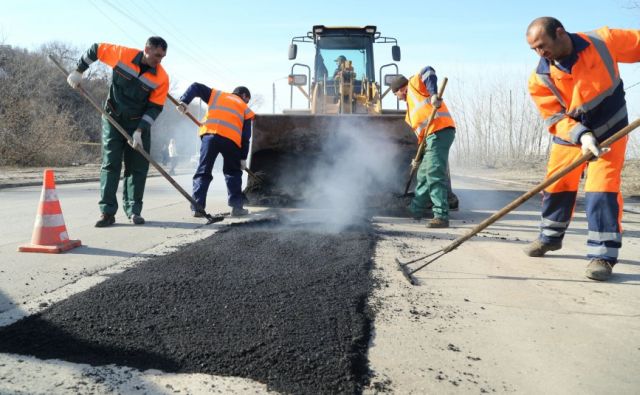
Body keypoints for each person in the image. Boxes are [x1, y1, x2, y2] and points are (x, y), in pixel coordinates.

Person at [524, 17, 640, 281]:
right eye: (534, 49)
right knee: (556, 185)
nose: (540, 53)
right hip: (572, 136)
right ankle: (550, 237)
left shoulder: (603, 42)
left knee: (602, 190)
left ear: (560, 33)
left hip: (612, 131)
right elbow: (553, 118)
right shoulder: (539, 77)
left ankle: (602, 256)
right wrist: (581, 135)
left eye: (542, 46)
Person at [67, 37, 169, 227]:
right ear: (146, 49)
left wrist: (139, 131)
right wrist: (78, 71)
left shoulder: (161, 78)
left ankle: (134, 211)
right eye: (157, 55)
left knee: (137, 169)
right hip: (112, 118)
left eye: (163, 57)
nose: (159, 60)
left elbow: (155, 108)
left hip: (138, 125)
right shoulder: (123, 55)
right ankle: (107, 212)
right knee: (110, 164)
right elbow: (96, 49)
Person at [391, 68, 457, 228]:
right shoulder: (409, 113)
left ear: (401, 89)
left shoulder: (414, 84)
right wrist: (417, 159)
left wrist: (434, 94)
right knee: (422, 174)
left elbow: (428, 71)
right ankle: (416, 209)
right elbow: (421, 137)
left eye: (395, 94)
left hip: (440, 131)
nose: (397, 97)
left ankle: (441, 215)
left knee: (434, 173)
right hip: (430, 138)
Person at [176, 84, 255, 217]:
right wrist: (243, 158)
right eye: (247, 100)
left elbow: (196, 86)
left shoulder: (218, 95)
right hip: (231, 141)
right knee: (233, 173)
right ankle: (237, 208)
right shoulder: (245, 108)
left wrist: (184, 101)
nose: (246, 102)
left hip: (210, 137)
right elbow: (246, 137)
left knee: (203, 171)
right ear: (244, 96)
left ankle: (198, 207)